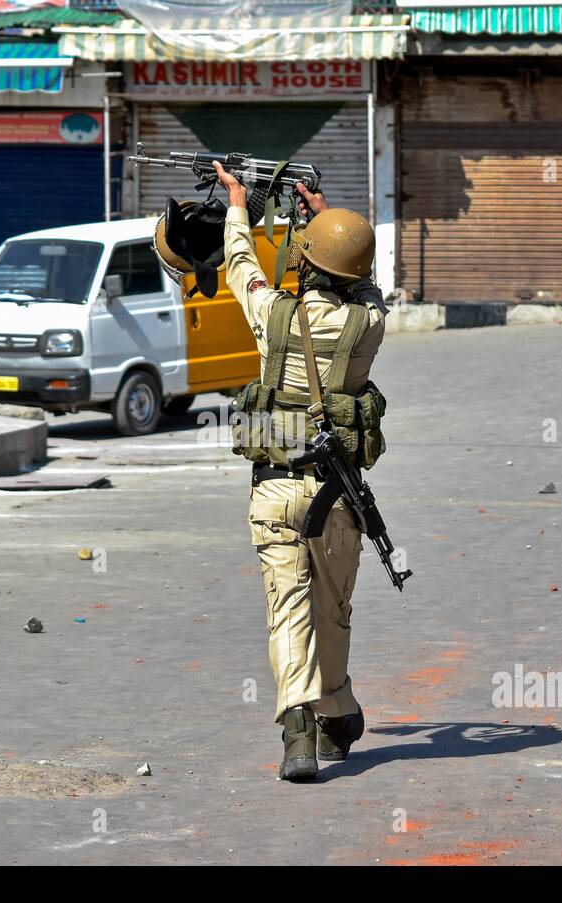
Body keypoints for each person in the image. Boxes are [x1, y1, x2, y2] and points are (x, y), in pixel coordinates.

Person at [212, 160, 388, 781]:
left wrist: (240, 204)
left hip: (275, 488)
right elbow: (366, 286)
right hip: (337, 495)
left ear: (306, 264)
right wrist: (326, 221)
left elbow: (240, 267)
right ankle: (336, 713)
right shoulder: (368, 322)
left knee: (287, 610)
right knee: (332, 610)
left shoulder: (273, 314)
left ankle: (299, 733)